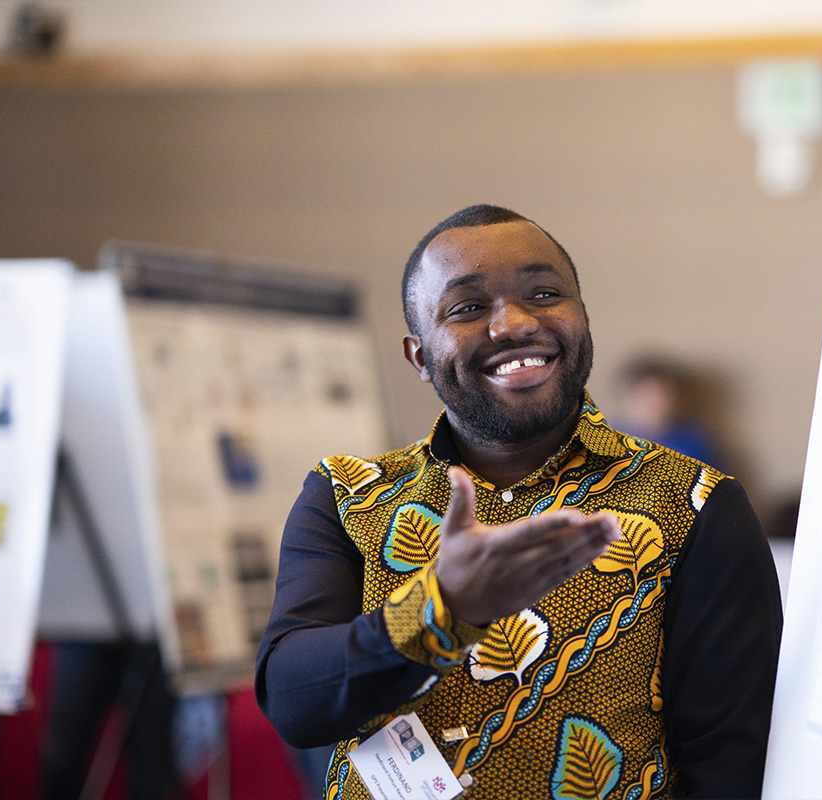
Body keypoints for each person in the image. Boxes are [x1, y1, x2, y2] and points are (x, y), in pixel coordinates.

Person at [255, 205, 782, 799]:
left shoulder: (696, 505)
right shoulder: (348, 495)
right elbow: (295, 702)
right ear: (419, 356)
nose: (513, 324)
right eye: (467, 307)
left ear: (582, 318)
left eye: (544, 293)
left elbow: (729, 763)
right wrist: (441, 608)